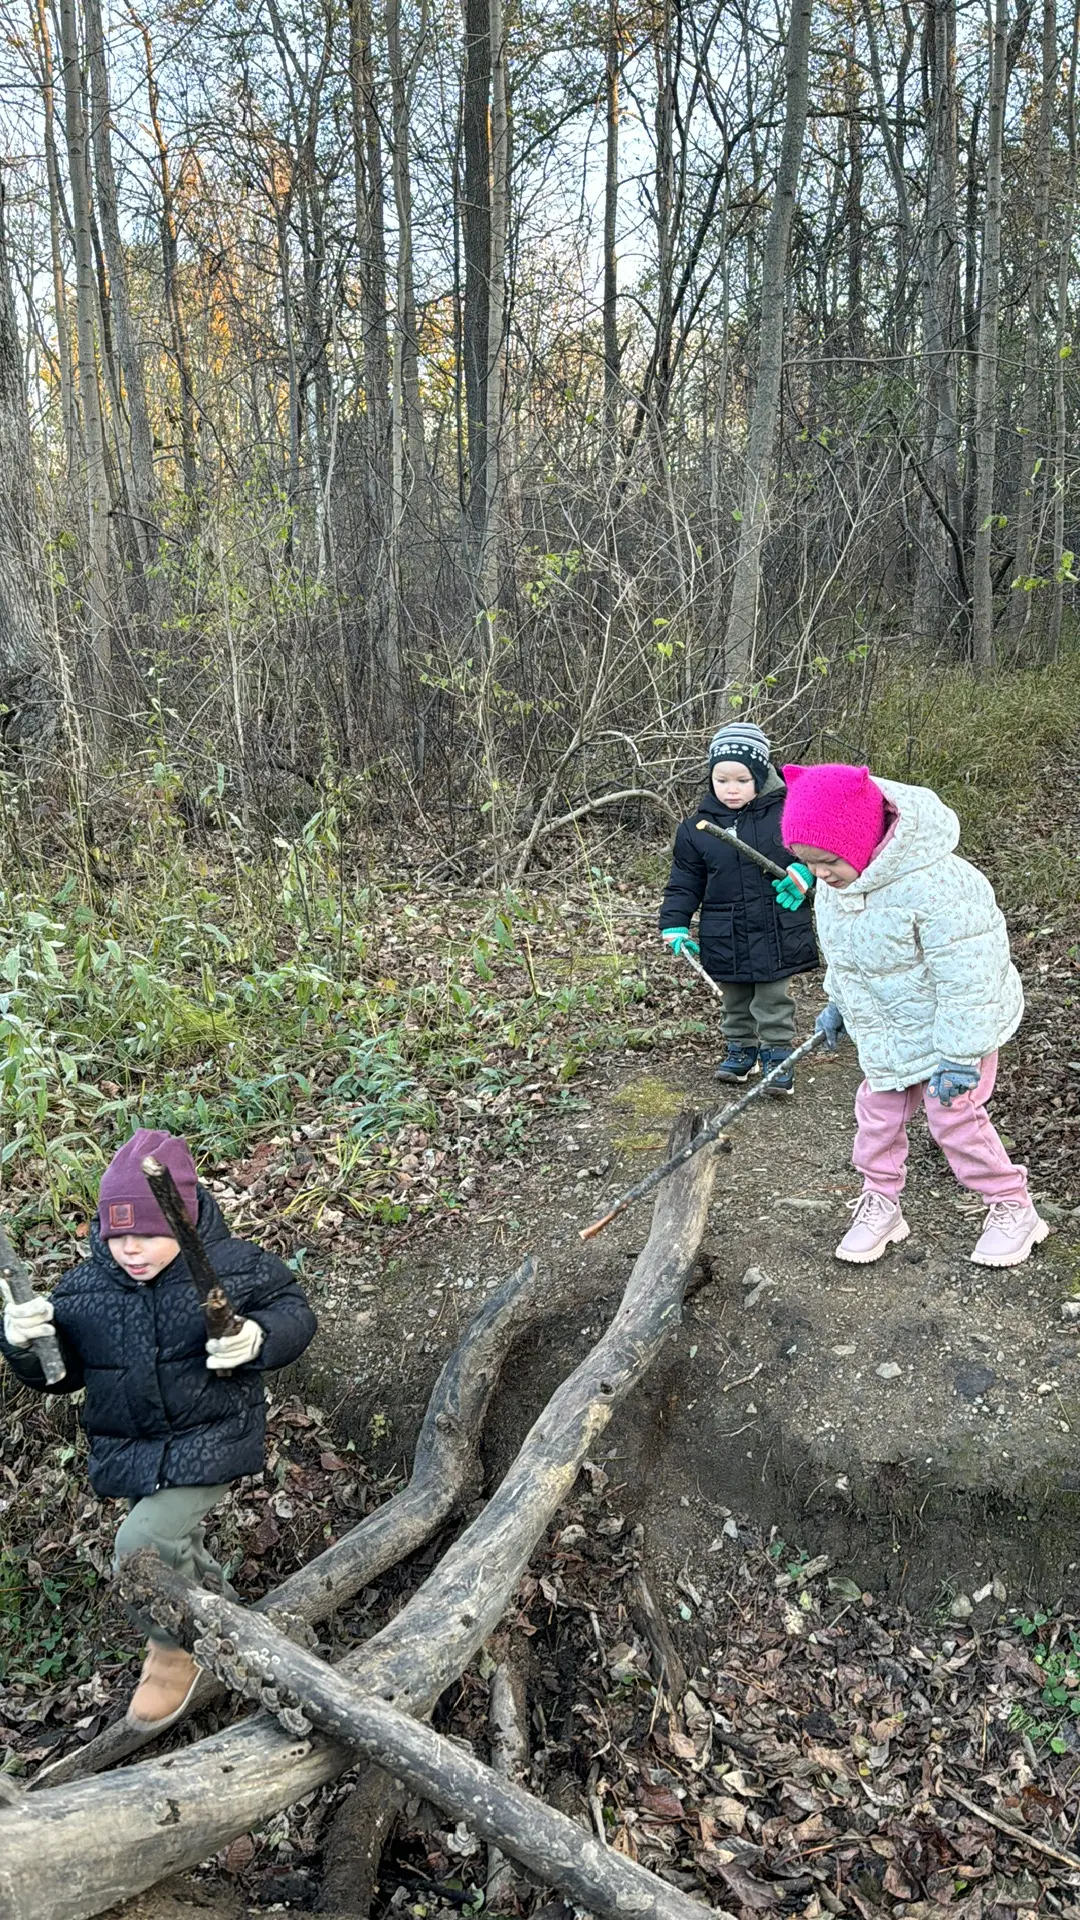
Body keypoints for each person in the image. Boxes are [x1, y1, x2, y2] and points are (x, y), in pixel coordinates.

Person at [0, 1128, 317, 1730]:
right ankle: (230, 1621)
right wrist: (23, 1342)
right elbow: (61, 1375)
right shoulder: (85, 1289)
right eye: (116, 1234)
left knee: (143, 1544)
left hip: (211, 1436)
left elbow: (294, 1312)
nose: (131, 1249)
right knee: (181, 1547)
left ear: (183, 1218)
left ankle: (174, 1650)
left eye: (148, 1233)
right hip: (134, 1450)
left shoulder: (234, 1265)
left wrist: (257, 1337)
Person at [778, 761, 1046, 1269]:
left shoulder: (939, 885)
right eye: (808, 863)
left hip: (956, 1029)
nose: (820, 875)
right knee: (876, 1115)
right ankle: (881, 1203)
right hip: (891, 1028)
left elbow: (971, 976)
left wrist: (961, 1054)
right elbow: (845, 958)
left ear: (861, 839)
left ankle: (1013, 1205)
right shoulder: (837, 888)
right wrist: (838, 1003)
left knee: (954, 1118)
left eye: (827, 860)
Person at [658, 721, 819, 1095]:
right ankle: (741, 1049)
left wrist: (806, 871)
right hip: (724, 929)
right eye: (722, 780)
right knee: (733, 996)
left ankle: (778, 1054)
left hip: (776, 925)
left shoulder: (788, 811)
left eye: (742, 780)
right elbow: (684, 881)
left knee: (773, 996)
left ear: (760, 776)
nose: (731, 789)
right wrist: (675, 923)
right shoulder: (696, 828)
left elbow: (817, 850)